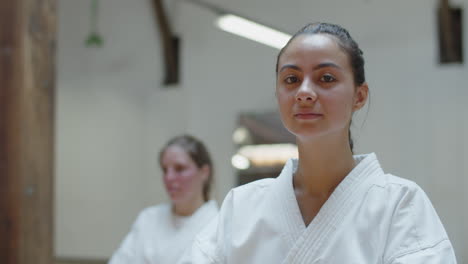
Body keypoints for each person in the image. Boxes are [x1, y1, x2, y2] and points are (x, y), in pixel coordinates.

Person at [178, 23, 457, 263]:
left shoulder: (399, 204)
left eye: (326, 78)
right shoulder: (241, 207)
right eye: (291, 79)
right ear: (278, 95)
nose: (304, 92)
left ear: (359, 96)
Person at [109, 135, 218, 264]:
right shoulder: (148, 219)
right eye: (165, 170)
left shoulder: (218, 226)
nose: (169, 177)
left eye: (180, 168)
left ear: (204, 172)